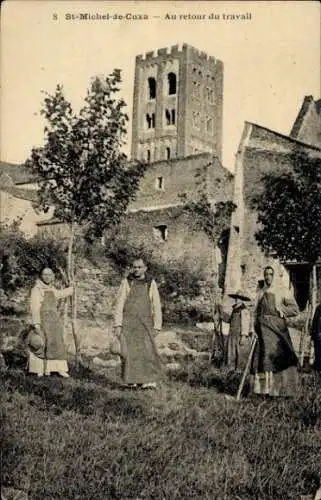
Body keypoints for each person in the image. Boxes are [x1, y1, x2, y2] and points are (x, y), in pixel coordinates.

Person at [113, 257, 163, 389]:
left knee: (147, 350)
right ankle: (132, 381)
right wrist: (118, 324)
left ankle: (148, 381)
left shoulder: (150, 283)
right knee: (130, 352)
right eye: (134, 267)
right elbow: (119, 304)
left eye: (140, 267)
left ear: (145, 268)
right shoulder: (127, 282)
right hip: (129, 322)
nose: (137, 270)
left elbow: (156, 304)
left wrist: (157, 325)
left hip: (145, 322)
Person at [250, 266, 299, 397]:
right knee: (264, 360)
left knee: (280, 358)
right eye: (266, 274)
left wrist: (281, 310)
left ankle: (281, 391)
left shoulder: (283, 291)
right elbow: (255, 313)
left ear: (275, 276)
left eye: (271, 274)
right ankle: (263, 391)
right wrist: (253, 329)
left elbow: (295, 309)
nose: (268, 277)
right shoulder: (260, 292)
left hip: (277, 331)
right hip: (263, 332)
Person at [28, 267, 73, 378]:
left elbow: (59, 294)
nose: (47, 277)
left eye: (50, 275)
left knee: (56, 343)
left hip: (54, 321)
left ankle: (58, 369)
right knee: (41, 343)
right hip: (42, 320)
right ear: (41, 276)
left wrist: (71, 289)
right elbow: (34, 308)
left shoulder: (52, 289)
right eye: (45, 275)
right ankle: (40, 369)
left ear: (53, 276)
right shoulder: (37, 289)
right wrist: (36, 324)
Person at [226, 289, 251, 371]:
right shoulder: (234, 309)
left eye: (239, 298)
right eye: (236, 298)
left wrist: (244, 335)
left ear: (242, 300)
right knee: (231, 352)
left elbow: (245, 323)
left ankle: (239, 371)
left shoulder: (244, 310)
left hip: (239, 335)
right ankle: (231, 369)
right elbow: (230, 320)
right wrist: (221, 315)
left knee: (239, 353)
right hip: (232, 334)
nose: (237, 300)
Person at [310, 301, 321, 373]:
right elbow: (315, 322)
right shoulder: (319, 308)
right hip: (318, 335)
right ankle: (318, 367)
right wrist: (313, 335)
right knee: (318, 352)